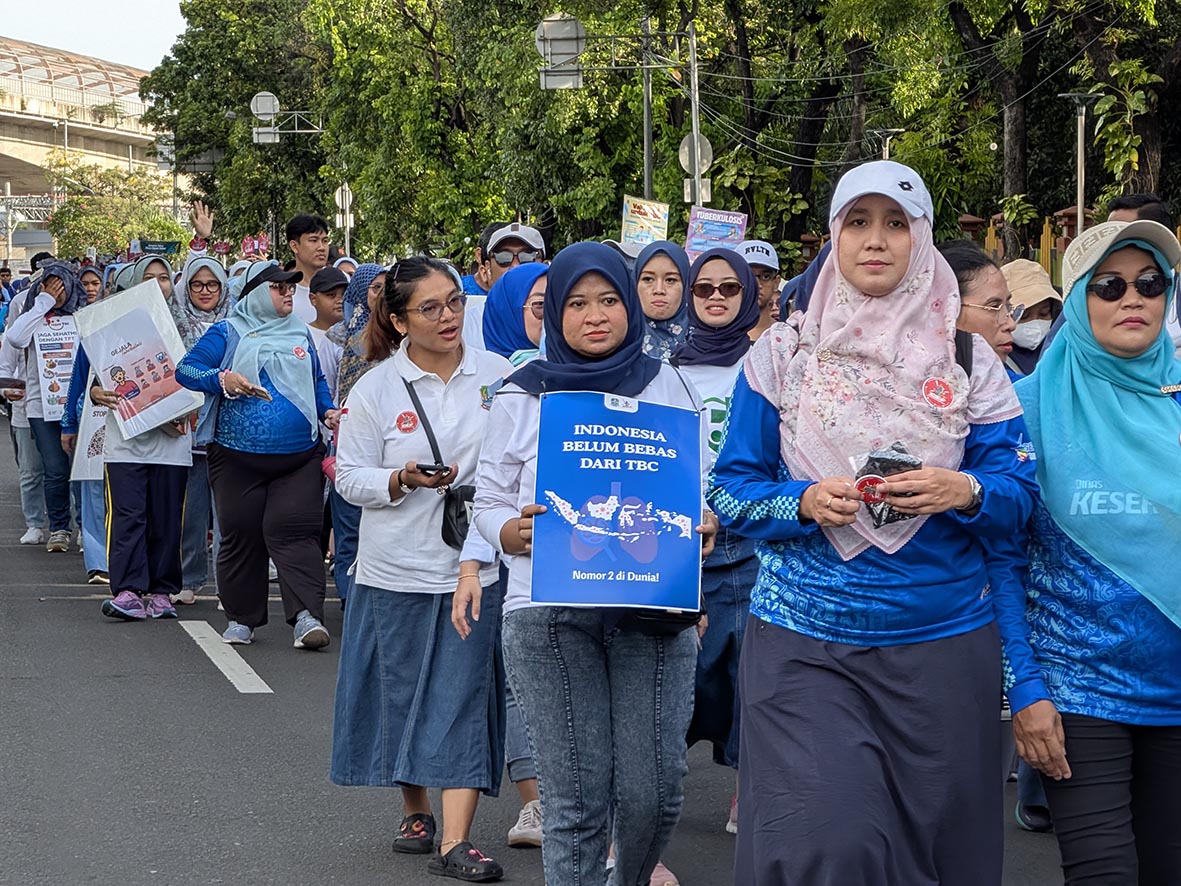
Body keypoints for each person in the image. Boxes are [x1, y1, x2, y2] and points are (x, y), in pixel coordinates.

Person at [709, 161, 1039, 885]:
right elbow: (730, 491)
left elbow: (1020, 497)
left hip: (942, 646)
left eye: (895, 223)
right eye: (857, 222)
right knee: (828, 846)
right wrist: (796, 504)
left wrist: (966, 489)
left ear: (920, 237)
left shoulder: (968, 360)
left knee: (936, 852)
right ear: (832, 236)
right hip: (804, 648)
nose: (875, 240)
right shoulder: (782, 354)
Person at [473, 241, 717, 886]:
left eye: (609, 299)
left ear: (629, 304)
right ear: (555, 313)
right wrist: (505, 530)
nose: (595, 316)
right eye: (576, 303)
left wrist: (704, 526)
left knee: (652, 793)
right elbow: (488, 498)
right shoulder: (522, 393)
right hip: (546, 609)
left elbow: (697, 485)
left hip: (651, 610)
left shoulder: (666, 382)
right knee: (576, 800)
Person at [1005, 219, 1181, 885]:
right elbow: (1001, 562)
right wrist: (1022, 688)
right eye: (1108, 285)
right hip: (1079, 696)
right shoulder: (1022, 410)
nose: (1130, 297)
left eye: (1149, 283)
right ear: (1077, 299)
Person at [331, 256, 510, 881]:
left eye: (455, 301)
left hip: (477, 564)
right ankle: (416, 810)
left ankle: (455, 843)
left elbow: (521, 459)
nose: (448, 317)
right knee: (401, 695)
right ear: (399, 319)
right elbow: (348, 477)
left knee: (462, 695)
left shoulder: (501, 375)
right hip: (393, 568)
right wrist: (400, 479)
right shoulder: (375, 389)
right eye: (429, 308)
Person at [177, 263, 339, 647]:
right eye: (278, 287)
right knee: (241, 535)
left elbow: (314, 379)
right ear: (254, 295)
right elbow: (186, 369)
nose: (288, 293)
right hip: (236, 458)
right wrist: (221, 378)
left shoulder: (299, 331)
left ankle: (307, 619)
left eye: (290, 288)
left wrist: (327, 409)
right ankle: (241, 620)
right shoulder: (228, 331)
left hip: (299, 457)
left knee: (295, 532)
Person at [671, 248, 762, 836]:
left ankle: (746, 791)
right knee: (683, 673)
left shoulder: (769, 366)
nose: (716, 298)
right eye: (703, 288)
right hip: (685, 544)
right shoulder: (663, 369)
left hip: (755, 541)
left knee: (752, 676)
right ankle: (655, 796)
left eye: (731, 288)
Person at [70, 256, 193, 620]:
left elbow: (200, 380)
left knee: (166, 518)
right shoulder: (111, 328)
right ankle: (127, 590)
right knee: (127, 515)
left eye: (164, 278)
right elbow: (97, 381)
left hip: (172, 442)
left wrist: (182, 408)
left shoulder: (186, 328)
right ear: (135, 282)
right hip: (126, 441)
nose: (157, 284)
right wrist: (95, 395)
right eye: (149, 277)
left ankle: (161, 592)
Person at [0, 261, 86, 553]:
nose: (57, 293)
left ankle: (85, 528)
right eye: (50, 286)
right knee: (54, 470)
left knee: (81, 470)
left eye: (61, 286)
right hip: (41, 406)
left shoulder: (81, 315)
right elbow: (15, 337)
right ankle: (59, 527)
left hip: (77, 405)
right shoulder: (31, 315)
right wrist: (43, 303)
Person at [168, 256, 233, 604]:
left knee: (226, 516)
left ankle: (228, 587)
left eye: (213, 285)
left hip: (226, 432)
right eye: (197, 284)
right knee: (191, 513)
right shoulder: (174, 323)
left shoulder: (236, 323)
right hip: (186, 430)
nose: (205, 291)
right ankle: (189, 581)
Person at [324, 263, 386, 610]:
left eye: (385, 288)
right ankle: (350, 597)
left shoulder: (399, 336)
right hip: (346, 439)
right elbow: (328, 386)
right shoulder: (337, 338)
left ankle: (374, 597)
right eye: (374, 288)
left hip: (388, 441)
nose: (380, 295)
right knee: (348, 524)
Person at [939, 239, 1024, 375]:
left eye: (1008, 307)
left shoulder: (1018, 392)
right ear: (948, 311)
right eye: (993, 307)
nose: (1011, 324)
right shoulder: (901, 388)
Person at [1001, 260, 1062, 377]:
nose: (1036, 324)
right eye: (1023, 316)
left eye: (1044, 313)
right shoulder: (991, 358)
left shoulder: (1063, 348)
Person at [481, 263, 547, 366]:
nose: (552, 314)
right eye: (540, 304)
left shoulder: (576, 368)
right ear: (508, 315)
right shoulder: (481, 377)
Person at [634, 240, 690, 360]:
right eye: (648, 279)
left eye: (670, 280)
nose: (659, 290)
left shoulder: (707, 342)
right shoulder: (619, 339)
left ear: (686, 285)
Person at [306, 266, 348, 400]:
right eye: (331, 295)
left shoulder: (356, 334)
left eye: (344, 294)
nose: (339, 300)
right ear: (313, 299)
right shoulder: (303, 335)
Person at [286, 212, 331, 325]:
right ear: (294, 246)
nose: (321, 248)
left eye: (325, 241)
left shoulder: (343, 281)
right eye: (313, 240)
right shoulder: (283, 292)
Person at [737, 240, 782, 339]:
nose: (757, 285)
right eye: (748, 276)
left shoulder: (788, 339)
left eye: (766, 276)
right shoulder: (717, 336)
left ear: (776, 282)